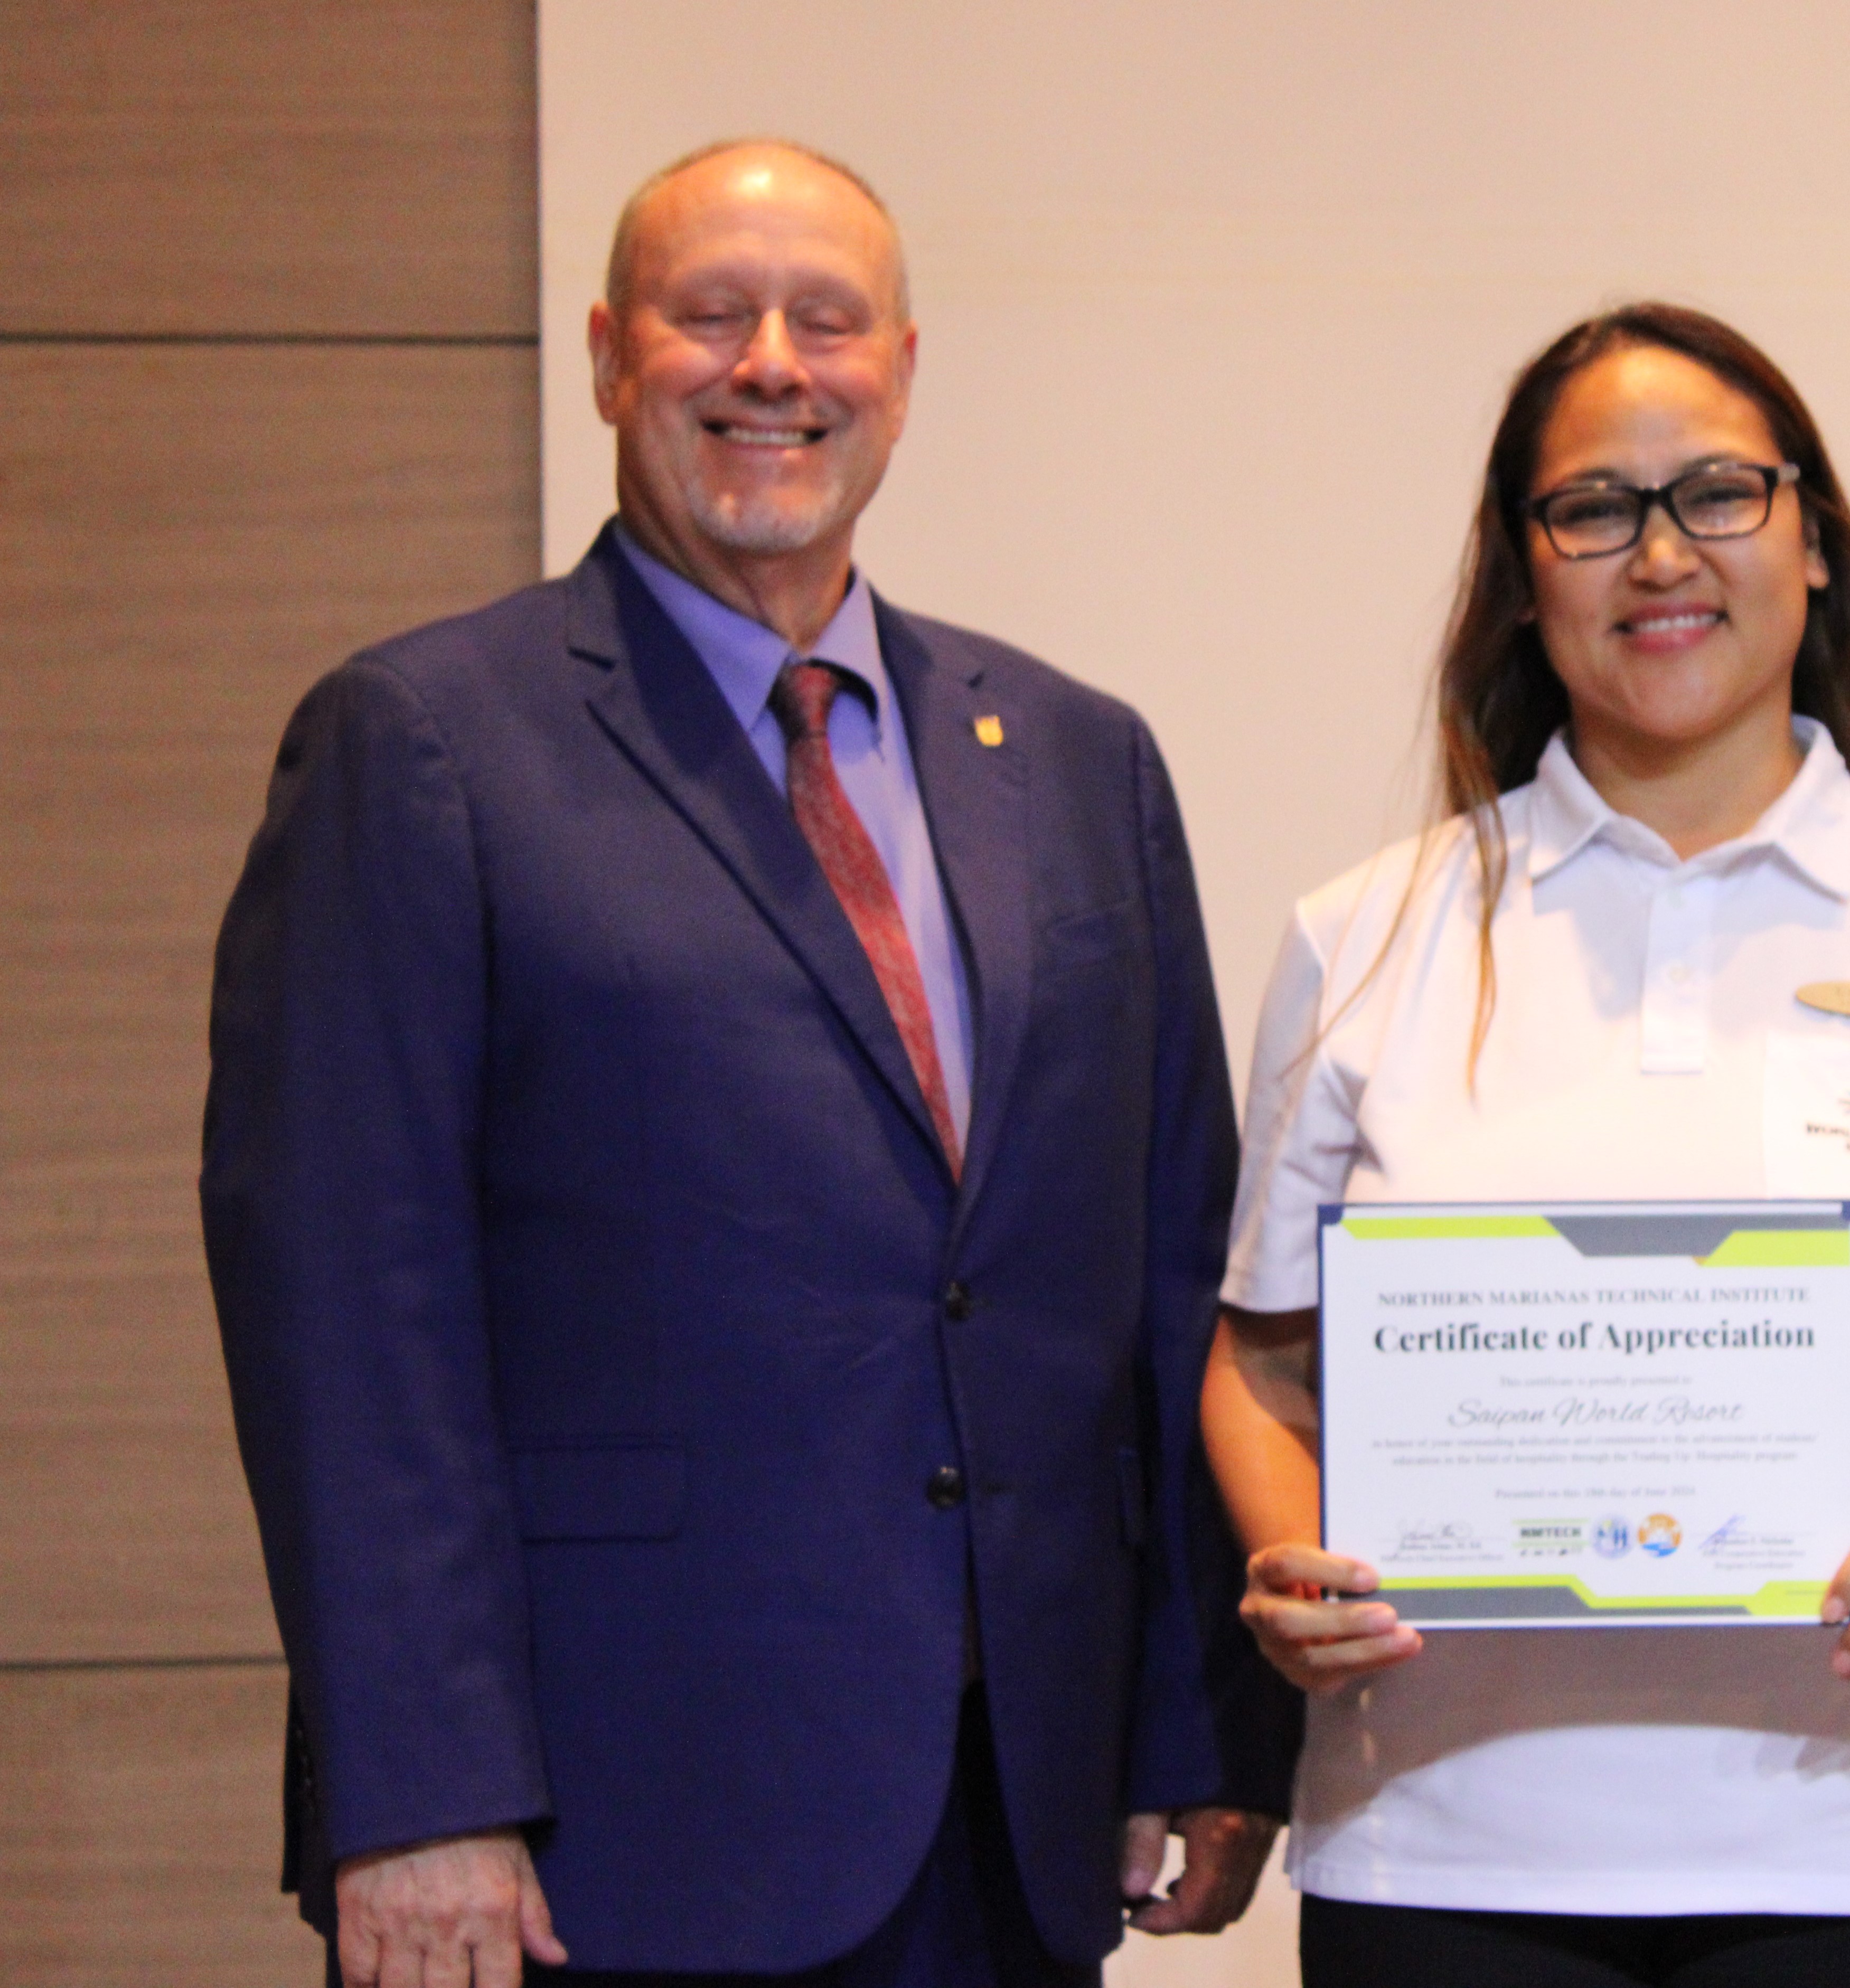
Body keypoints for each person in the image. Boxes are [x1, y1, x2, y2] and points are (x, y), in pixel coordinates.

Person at [202, 138, 1294, 1988]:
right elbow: (345, 1306)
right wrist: (418, 1790)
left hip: (1007, 1816)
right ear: (615, 358)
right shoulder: (426, 742)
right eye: (713, 317)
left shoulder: (1082, 762)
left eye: (828, 321)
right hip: (595, 1837)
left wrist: (1189, 1726)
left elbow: (1165, 1273)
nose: (774, 364)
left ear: (903, 370)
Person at [1198, 302, 1850, 1988]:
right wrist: (1292, 1561)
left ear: (1816, 547)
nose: (1661, 554)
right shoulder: (1366, 937)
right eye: (1594, 509)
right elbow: (1263, 1363)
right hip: (1446, 1850)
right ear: (1523, 571)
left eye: (1719, 493)